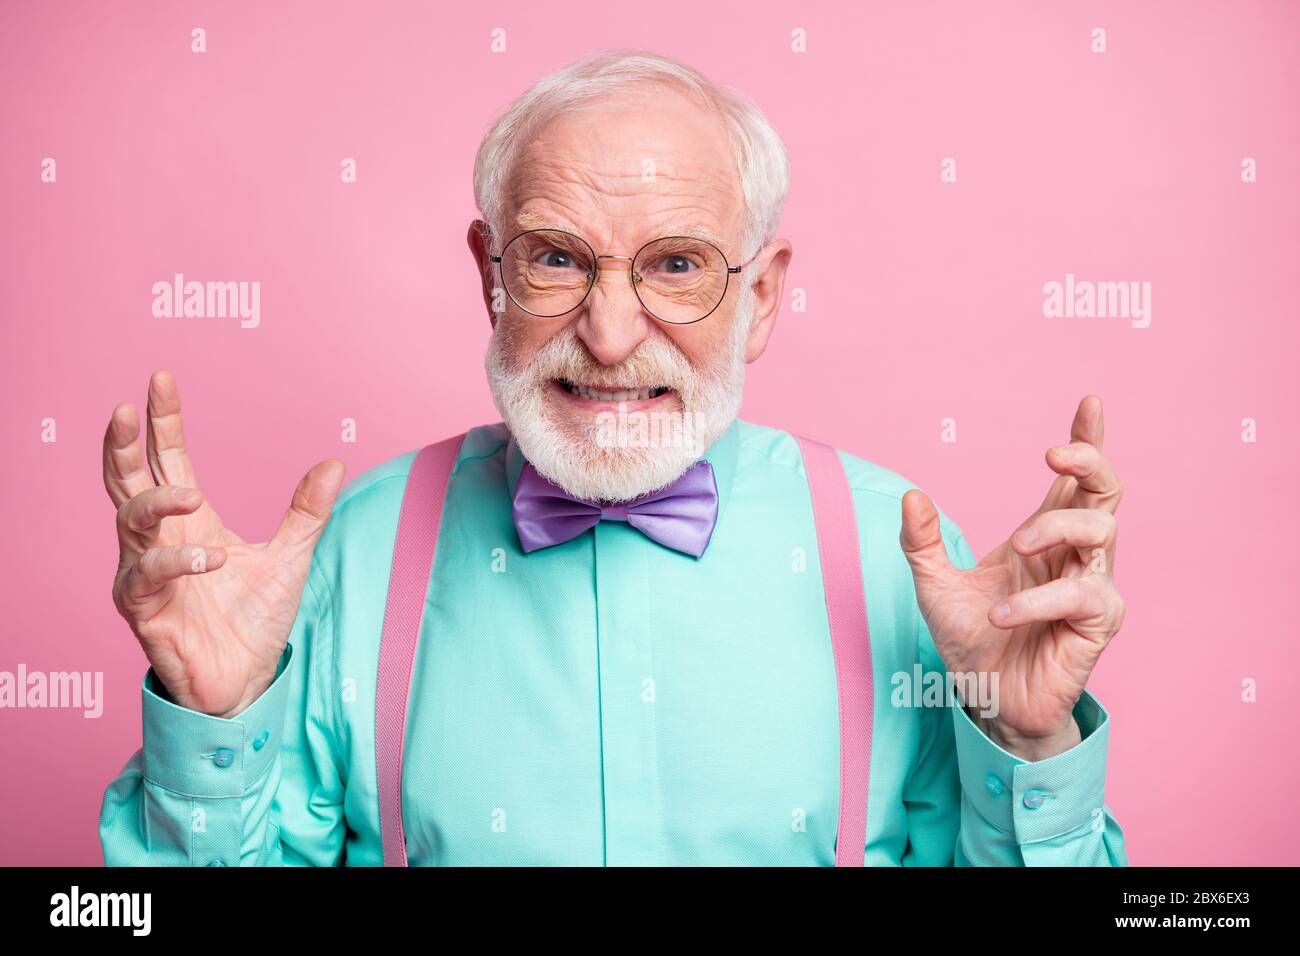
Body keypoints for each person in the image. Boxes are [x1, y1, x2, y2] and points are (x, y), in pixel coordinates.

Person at [99, 50, 1127, 866]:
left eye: (675, 265)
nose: (608, 331)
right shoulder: (349, 551)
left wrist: (1029, 746)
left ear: (759, 296)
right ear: (489, 275)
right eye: (555, 257)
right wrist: (210, 721)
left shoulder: (897, 552)